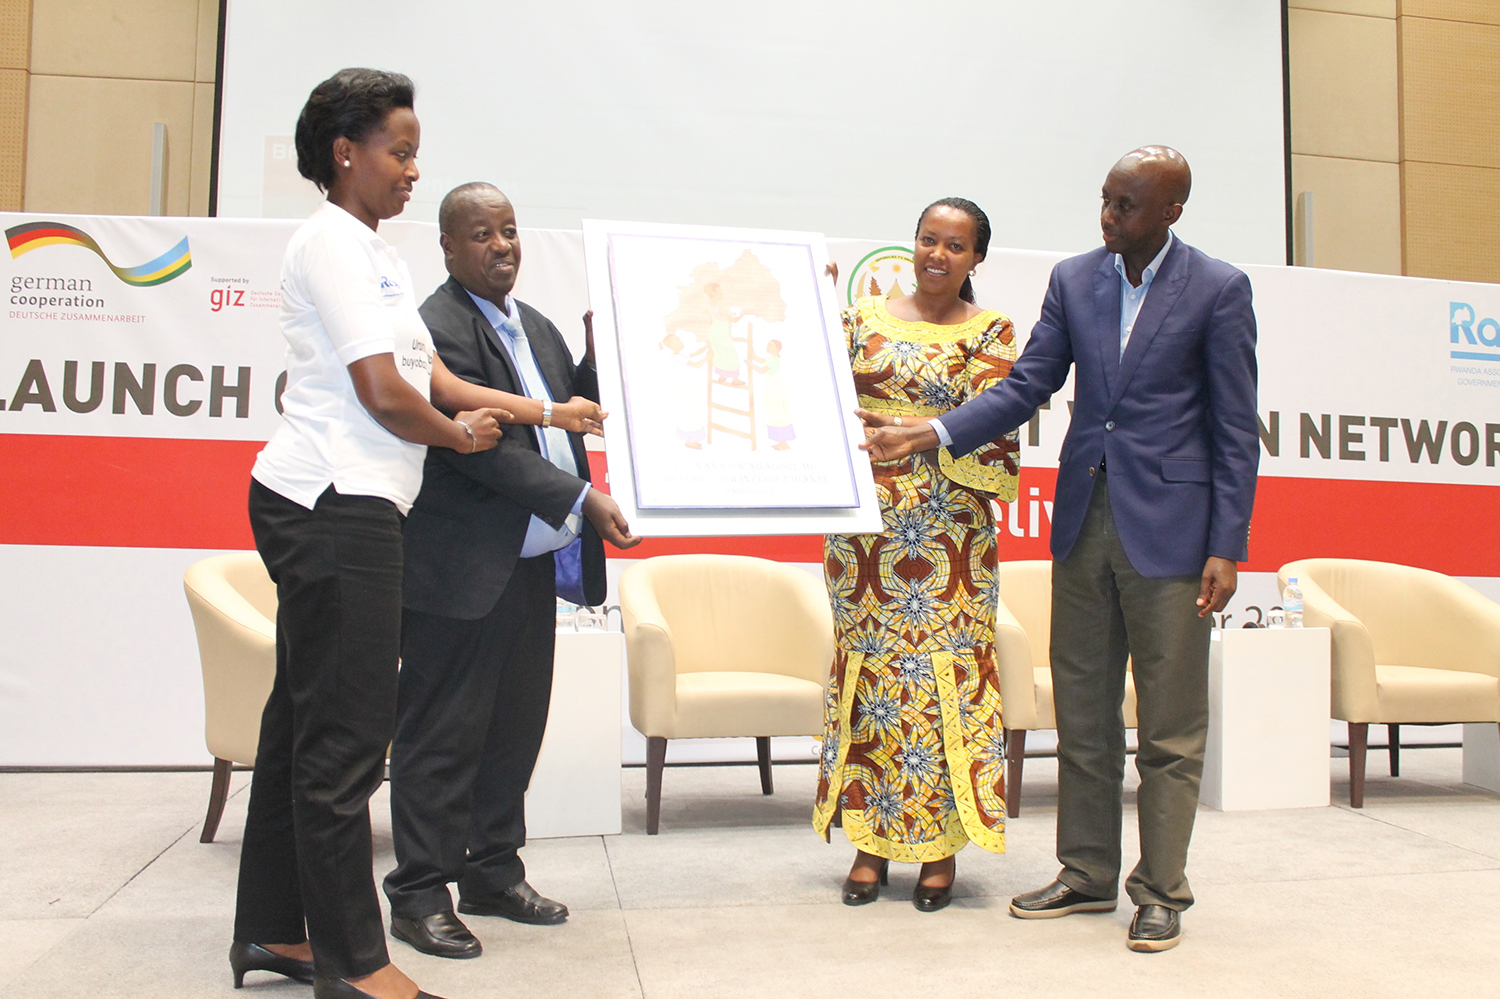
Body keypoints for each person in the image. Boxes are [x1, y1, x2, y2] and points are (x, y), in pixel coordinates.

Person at [860, 147, 1259, 951]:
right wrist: (934, 430)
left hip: (1176, 532)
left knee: (1172, 726)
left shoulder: (1219, 288)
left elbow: (1235, 426)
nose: (1108, 216)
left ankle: (1160, 889)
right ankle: (1085, 872)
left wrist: (1228, 542)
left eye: (1126, 205)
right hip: (1084, 521)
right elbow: (1025, 384)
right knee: (1083, 712)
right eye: (1105, 200)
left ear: (1171, 211)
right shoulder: (1077, 279)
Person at [227, 68, 552, 999]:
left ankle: (275, 932)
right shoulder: (331, 243)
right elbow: (385, 392)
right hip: (334, 502)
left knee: (299, 726)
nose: (414, 170)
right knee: (346, 741)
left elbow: (433, 375)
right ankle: (355, 963)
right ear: (346, 154)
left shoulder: (375, 254)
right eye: (400, 152)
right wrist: (457, 438)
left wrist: (541, 410)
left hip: (348, 500)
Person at [382, 182, 642, 959]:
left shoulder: (537, 326)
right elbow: (485, 451)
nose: (502, 246)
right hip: (458, 573)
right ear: (449, 247)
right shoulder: (436, 328)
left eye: (510, 231)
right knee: (439, 737)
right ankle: (419, 891)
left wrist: (602, 354)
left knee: (511, 731)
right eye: (483, 234)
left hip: (527, 568)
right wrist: (584, 498)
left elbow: (573, 407)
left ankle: (492, 871)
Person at [813, 197, 1020, 913]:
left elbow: (995, 434)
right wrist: (806, 301)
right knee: (875, 686)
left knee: (940, 688)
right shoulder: (860, 318)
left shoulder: (992, 332)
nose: (937, 254)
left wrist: (906, 427)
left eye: (954, 246)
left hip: (951, 540)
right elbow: (809, 393)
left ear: (976, 259)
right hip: (863, 537)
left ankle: (938, 852)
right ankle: (870, 843)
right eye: (927, 240)